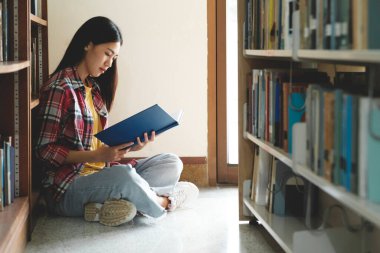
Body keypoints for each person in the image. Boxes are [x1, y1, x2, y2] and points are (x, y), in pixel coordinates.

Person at [34, 16, 199, 227]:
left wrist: (131, 145)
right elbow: (43, 151)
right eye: (107, 54)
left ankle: (113, 205)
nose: (110, 64)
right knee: (124, 176)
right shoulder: (60, 87)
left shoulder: (93, 90)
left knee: (170, 162)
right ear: (88, 44)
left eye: (114, 58)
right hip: (68, 188)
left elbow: (97, 146)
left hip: (102, 173)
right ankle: (165, 200)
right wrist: (96, 155)